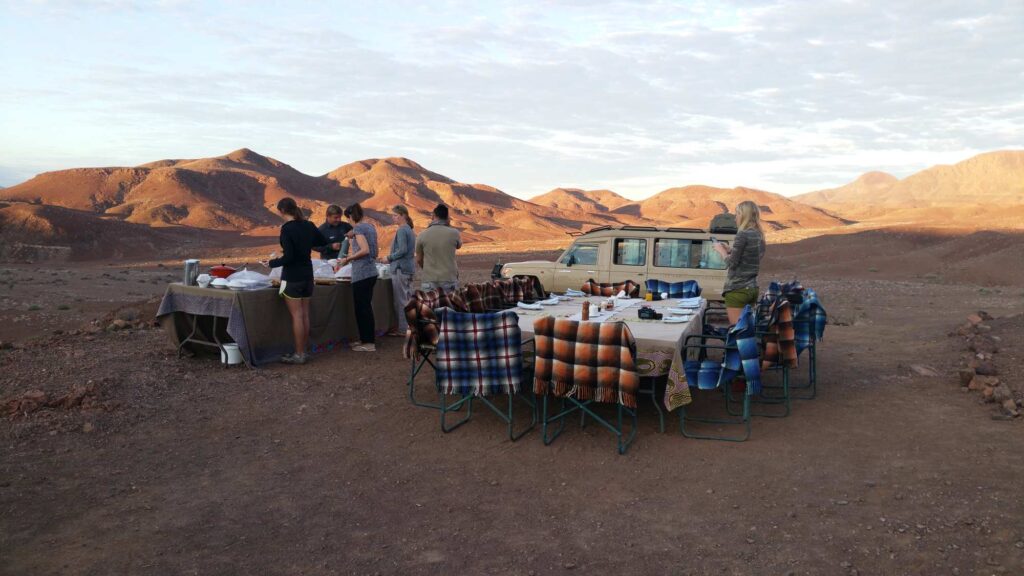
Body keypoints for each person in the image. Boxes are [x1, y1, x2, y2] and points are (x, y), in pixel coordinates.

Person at [267, 197, 329, 365]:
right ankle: (304, 351)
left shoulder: (287, 229)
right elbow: (322, 241)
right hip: (308, 275)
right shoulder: (308, 225)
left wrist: (272, 263)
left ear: (281, 211)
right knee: (305, 315)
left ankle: (299, 353)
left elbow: (289, 257)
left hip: (292, 277)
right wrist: (306, 244)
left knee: (297, 316)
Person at [713, 201, 766, 325]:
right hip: (751, 289)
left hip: (737, 290)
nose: (735, 217)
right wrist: (731, 250)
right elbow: (751, 257)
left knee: (738, 333)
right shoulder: (758, 234)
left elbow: (731, 263)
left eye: (737, 214)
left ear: (743, 215)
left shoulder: (742, 234)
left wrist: (721, 251)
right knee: (747, 330)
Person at [339, 203, 378, 352]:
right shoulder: (370, 227)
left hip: (362, 273)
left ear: (349, 217)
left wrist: (348, 259)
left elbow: (365, 250)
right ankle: (365, 339)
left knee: (362, 308)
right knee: (365, 307)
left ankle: (368, 343)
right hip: (371, 271)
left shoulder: (359, 228)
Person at [383, 205, 416, 336]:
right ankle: (411, 326)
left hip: (400, 268)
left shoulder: (402, 230)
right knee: (408, 299)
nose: (393, 218)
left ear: (403, 215)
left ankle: (403, 329)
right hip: (408, 268)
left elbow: (402, 250)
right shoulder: (409, 229)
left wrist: (389, 257)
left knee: (401, 300)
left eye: (395, 215)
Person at [415, 203, 461, 292]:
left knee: (430, 306)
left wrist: (428, 269)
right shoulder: (454, 233)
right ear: (447, 217)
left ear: (434, 216)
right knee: (450, 305)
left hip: (429, 279)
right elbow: (459, 245)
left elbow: (419, 259)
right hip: (449, 278)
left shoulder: (421, 235)